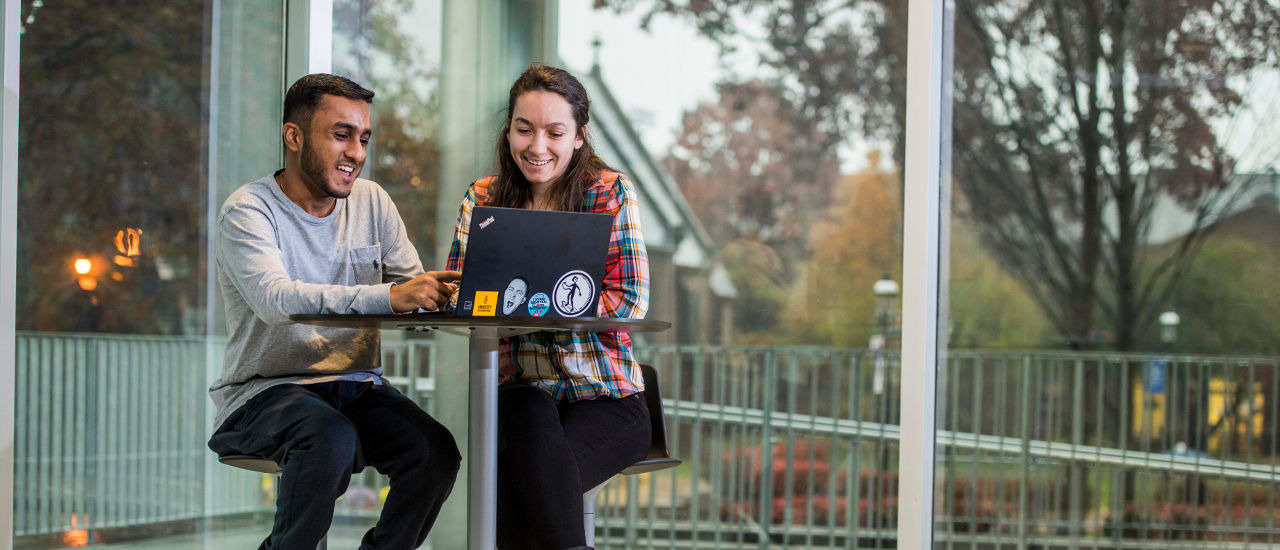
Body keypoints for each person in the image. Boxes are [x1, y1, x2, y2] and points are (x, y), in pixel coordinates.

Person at [208, 73, 461, 550]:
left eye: (363, 138)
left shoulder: (373, 202)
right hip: (265, 392)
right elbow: (277, 301)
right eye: (341, 135)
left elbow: (411, 291)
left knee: (434, 452)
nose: (357, 153)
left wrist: (450, 294)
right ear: (294, 136)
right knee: (329, 438)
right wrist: (391, 296)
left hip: (357, 386)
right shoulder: (248, 212)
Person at [446, 63, 651, 550]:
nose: (538, 147)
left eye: (555, 132)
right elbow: (459, 296)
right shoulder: (482, 199)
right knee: (522, 408)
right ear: (509, 131)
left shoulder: (609, 192)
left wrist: (529, 311)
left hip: (608, 399)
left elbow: (630, 299)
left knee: (523, 491)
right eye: (524, 129)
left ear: (579, 137)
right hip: (522, 397)